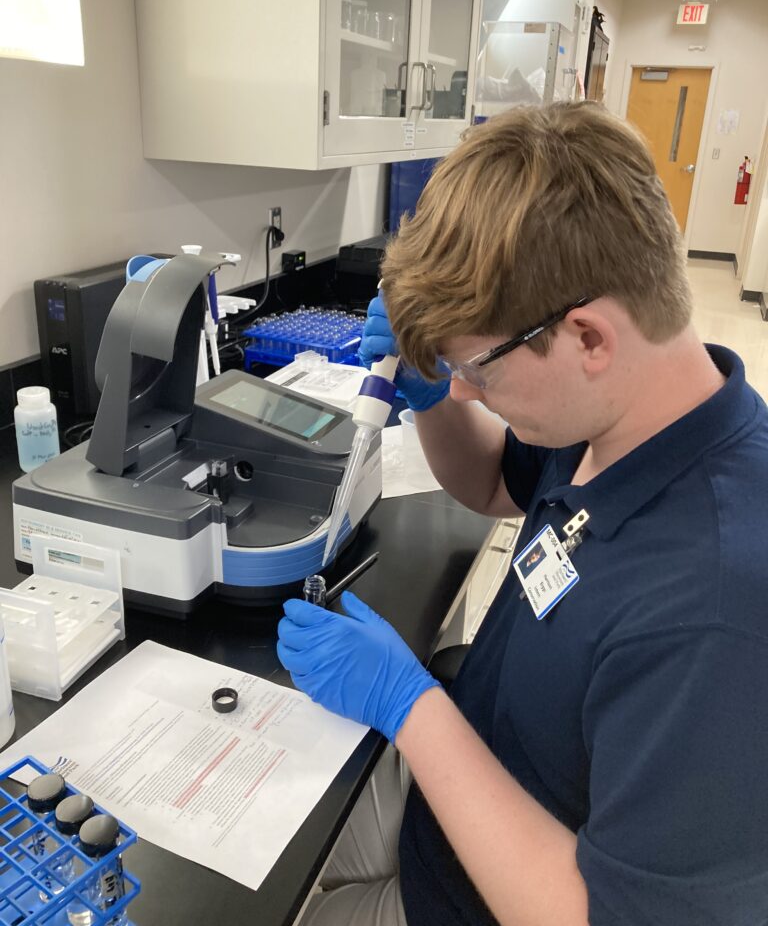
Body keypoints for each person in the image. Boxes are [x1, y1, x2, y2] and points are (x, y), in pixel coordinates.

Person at [277, 102, 768, 926]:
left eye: (478, 368)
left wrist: (410, 705)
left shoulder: (713, 612)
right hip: (455, 804)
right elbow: (494, 485)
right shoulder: (627, 424)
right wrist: (435, 397)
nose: (469, 389)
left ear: (587, 337)